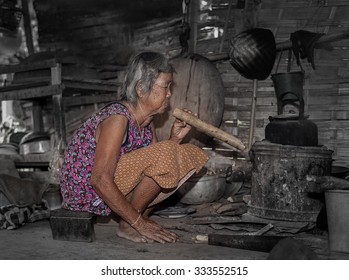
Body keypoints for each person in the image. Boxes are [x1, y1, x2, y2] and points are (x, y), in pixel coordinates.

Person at [60, 51, 209, 243]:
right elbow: (99, 179)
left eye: (170, 86)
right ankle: (130, 223)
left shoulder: (148, 122)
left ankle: (135, 218)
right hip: (86, 192)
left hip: (111, 185)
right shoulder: (118, 119)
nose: (170, 94)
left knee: (186, 153)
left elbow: (157, 171)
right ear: (141, 88)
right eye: (165, 87)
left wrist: (175, 139)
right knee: (166, 151)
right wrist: (139, 224)